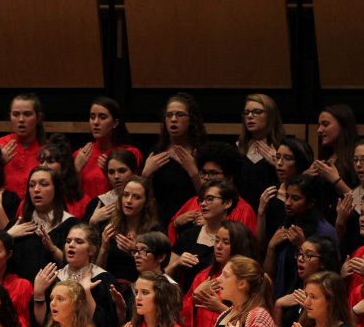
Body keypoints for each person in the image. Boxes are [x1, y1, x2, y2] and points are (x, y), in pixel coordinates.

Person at [33, 222, 122, 327]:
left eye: (79, 242)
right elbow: (43, 325)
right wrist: (38, 293)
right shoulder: (53, 278)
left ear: (92, 250)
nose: (71, 245)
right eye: (68, 241)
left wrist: (87, 293)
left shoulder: (102, 279)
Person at [168, 141, 257, 243]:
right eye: (204, 173)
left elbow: (246, 247)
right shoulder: (193, 201)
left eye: (213, 173)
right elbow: (172, 235)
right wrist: (175, 223)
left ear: (229, 178)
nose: (206, 178)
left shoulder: (244, 210)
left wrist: (212, 227)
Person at [142, 92, 207, 227]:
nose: (173, 119)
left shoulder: (201, 152)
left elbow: (209, 197)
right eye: (169, 115)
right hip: (159, 221)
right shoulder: (156, 151)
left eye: (180, 114)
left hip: (192, 221)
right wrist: (145, 175)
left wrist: (194, 173)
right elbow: (143, 195)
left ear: (191, 120)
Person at [7, 166, 77, 283]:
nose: (36, 190)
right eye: (32, 185)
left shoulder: (72, 226)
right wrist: (8, 237)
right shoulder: (16, 225)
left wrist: (53, 249)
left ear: (57, 189)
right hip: (20, 293)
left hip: (57, 294)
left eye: (44, 184)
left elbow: (77, 267)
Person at [166, 180, 239, 291]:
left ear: (227, 203)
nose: (203, 204)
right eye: (201, 200)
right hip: (189, 303)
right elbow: (165, 278)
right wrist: (177, 264)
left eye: (210, 199)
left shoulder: (237, 235)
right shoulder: (188, 235)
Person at [74, 96, 142, 202]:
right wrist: (76, 169)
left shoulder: (131, 153)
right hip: (87, 214)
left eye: (102, 117)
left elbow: (135, 193)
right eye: (92, 117)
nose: (96, 122)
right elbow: (72, 196)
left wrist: (109, 172)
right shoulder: (80, 155)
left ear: (115, 123)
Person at [236, 93, 286, 205]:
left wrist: (277, 164)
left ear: (271, 116)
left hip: (272, 210)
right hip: (242, 213)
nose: (249, 116)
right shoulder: (238, 149)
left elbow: (295, 185)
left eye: (257, 112)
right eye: (246, 112)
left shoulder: (283, 148)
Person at [0, 93, 45, 198]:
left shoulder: (48, 151)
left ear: (38, 117)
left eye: (27, 114)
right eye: (16, 114)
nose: (21, 119)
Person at [38, 138, 90, 219]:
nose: (43, 166)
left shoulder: (82, 202)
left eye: (50, 161)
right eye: (41, 161)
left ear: (64, 168)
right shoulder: (33, 199)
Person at [85, 148, 138, 226]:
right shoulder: (97, 203)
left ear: (134, 172)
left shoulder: (144, 201)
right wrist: (92, 222)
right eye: (111, 172)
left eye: (122, 171)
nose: (116, 176)